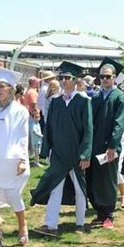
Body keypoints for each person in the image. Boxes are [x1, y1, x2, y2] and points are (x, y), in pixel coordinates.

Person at [31, 64, 92, 236]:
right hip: (58, 153)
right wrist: (47, 150)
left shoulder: (83, 101)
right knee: (55, 188)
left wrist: (85, 154)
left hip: (76, 153)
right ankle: (51, 225)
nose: (65, 81)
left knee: (80, 189)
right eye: (62, 78)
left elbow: (88, 129)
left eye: (68, 78)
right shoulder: (56, 102)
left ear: (76, 81)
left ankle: (80, 223)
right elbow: (49, 127)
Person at [0, 68, 30, 247]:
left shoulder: (20, 111)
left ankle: (22, 225)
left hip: (11, 160)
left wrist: (21, 159)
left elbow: (22, 135)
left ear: (11, 89)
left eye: (1, 86)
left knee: (13, 195)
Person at [86, 58, 124, 230]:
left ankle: (109, 215)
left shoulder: (121, 97)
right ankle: (99, 213)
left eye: (108, 76)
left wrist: (112, 146)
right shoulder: (96, 98)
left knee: (109, 180)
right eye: (102, 77)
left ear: (114, 78)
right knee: (95, 179)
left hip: (109, 147)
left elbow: (119, 123)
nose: (104, 79)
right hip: (95, 146)